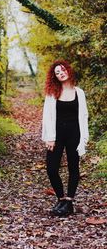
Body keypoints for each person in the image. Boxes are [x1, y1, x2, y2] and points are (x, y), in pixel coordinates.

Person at [42, 60, 89, 216]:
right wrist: (49, 137)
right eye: (57, 72)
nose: (61, 73)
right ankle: (61, 198)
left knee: (73, 168)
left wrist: (83, 138)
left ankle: (68, 202)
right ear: (54, 76)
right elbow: (47, 116)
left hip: (74, 134)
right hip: (57, 135)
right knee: (51, 168)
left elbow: (83, 116)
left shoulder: (79, 92)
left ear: (68, 70)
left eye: (62, 70)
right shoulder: (52, 93)